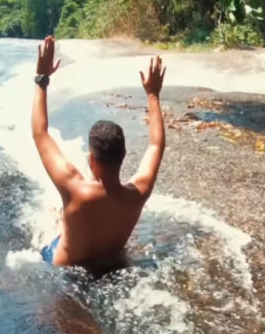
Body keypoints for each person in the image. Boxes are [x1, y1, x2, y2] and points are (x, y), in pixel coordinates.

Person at [32, 36, 167, 272]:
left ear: (91, 159)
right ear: (124, 155)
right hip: (110, 267)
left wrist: (41, 79)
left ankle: (58, 224)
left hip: (66, 272)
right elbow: (156, 146)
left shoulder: (75, 189)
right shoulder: (138, 193)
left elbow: (39, 133)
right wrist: (153, 95)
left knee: (51, 219)